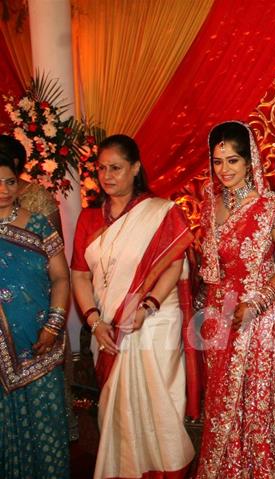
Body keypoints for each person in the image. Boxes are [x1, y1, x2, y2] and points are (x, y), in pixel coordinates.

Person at [71, 134, 197, 479]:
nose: (108, 176)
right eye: (101, 169)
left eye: (116, 168)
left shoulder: (160, 213)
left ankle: (167, 470)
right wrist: (96, 322)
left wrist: (146, 308)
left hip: (154, 321)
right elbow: (79, 276)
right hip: (108, 327)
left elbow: (174, 264)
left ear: (136, 168)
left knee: (159, 404)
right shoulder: (88, 220)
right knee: (118, 410)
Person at [194, 121, 275, 478]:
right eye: (217, 162)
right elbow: (210, 271)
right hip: (222, 320)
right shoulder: (209, 206)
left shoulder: (271, 205)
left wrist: (256, 303)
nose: (224, 170)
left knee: (260, 403)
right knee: (223, 405)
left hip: (261, 318)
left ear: (250, 161)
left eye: (232, 160)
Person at [0, 134, 78, 442]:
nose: (4, 190)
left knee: (44, 432)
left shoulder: (38, 224)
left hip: (37, 343)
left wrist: (54, 324)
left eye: (9, 182)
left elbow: (61, 277)